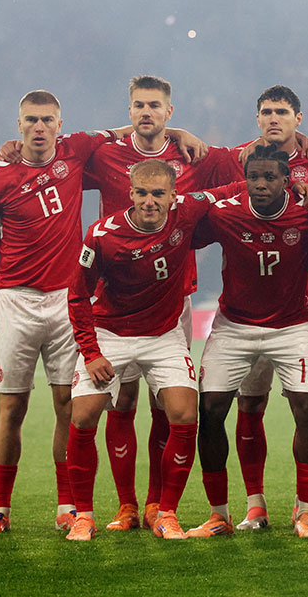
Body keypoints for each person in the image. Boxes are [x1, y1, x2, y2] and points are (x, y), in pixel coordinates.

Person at [81, 75, 236, 533]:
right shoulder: (106, 154)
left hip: (173, 298)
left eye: (155, 106)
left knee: (165, 404)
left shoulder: (190, 154)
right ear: (128, 110)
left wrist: (296, 142)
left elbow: (248, 162)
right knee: (121, 401)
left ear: (170, 111)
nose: (146, 112)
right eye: (138, 106)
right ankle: (127, 506)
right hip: (116, 302)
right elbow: (58, 158)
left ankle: (155, 504)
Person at [0, 90, 120, 534]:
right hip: (15, 300)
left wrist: (182, 132)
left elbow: (132, 131)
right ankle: (0, 509)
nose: (39, 127)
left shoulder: (76, 150)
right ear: (18, 125)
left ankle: (67, 505)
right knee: (12, 408)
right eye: (31, 119)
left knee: (66, 405)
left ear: (59, 123)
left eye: (47, 119)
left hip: (67, 301)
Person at [207, 85, 308, 532]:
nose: (273, 118)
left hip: (299, 312)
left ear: (298, 117)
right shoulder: (231, 162)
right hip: (238, 318)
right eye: (266, 111)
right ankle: (251, 507)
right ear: (257, 117)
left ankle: (305, 509)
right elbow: (195, 192)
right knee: (247, 407)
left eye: (282, 111)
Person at [65, 159, 209, 540]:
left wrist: (297, 188)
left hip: (163, 335)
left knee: (184, 412)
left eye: (158, 194)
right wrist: (92, 352)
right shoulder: (101, 235)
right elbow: (78, 295)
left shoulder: (187, 213)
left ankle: (165, 512)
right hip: (111, 332)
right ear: (130, 193)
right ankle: (85, 515)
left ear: (173, 196)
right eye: (142, 193)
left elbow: (233, 193)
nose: (150, 201)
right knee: (82, 415)